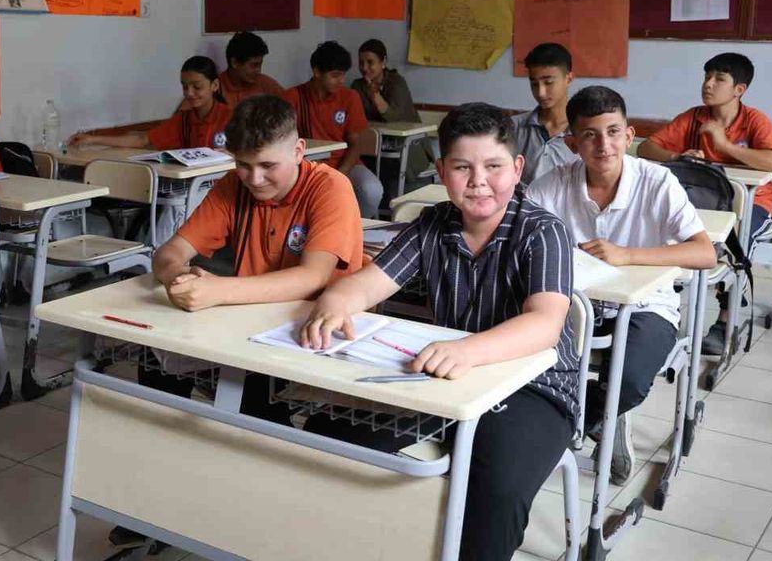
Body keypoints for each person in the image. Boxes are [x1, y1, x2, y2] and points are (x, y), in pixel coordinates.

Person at [301, 102, 577, 561]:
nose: (478, 181)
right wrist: (336, 302)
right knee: (331, 437)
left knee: (496, 490)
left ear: (517, 168)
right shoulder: (432, 224)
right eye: (462, 167)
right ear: (442, 170)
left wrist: (468, 350)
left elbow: (545, 323)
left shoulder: (542, 231)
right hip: (442, 379)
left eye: (493, 167)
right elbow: (367, 284)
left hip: (533, 389)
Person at [107, 94, 365, 555]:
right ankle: (158, 501)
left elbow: (313, 277)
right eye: (243, 165)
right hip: (250, 329)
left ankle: (245, 516)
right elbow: (169, 252)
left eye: (267, 166)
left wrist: (218, 291)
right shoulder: (233, 186)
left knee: (255, 411)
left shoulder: (330, 187)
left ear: (299, 151)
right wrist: (177, 277)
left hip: (313, 336)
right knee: (156, 364)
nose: (255, 179)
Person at [528, 85, 716, 484]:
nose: (604, 145)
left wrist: (628, 254)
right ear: (572, 143)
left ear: (629, 136)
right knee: (526, 362)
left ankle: (593, 418)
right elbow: (521, 242)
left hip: (647, 306)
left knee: (627, 381)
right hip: (573, 306)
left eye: (613, 132)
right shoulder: (551, 184)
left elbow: (704, 253)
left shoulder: (657, 182)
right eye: (590, 135)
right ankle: (593, 419)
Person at [636, 52, 772, 355]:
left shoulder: (755, 121)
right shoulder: (694, 117)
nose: (708, 84)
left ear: (739, 89)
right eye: (707, 76)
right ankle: (664, 312)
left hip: (753, 204)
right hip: (704, 202)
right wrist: (678, 156)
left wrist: (724, 146)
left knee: (735, 242)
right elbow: (646, 148)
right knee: (664, 234)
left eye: (719, 79)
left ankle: (725, 320)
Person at [283, 41, 383, 218]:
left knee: (372, 190)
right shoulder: (293, 97)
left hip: (344, 164)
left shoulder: (350, 97)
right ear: (317, 72)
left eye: (343, 75)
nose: (341, 81)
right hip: (306, 166)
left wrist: (339, 175)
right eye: (335, 75)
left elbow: (355, 145)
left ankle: (357, 228)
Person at [68, 56, 232, 150]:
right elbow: (142, 139)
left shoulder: (231, 119)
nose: (189, 93)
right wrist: (92, 140)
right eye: (184, 86)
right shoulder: (183, 120)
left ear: (215, 85)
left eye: (197, 87)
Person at [348, 38, 433, 182]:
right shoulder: (357, 85)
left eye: (370, 62)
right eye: (361, 63)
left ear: (383, 62)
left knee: (389, 172)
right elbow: (355, 116)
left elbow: (393, 117)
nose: (364, 68)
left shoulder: (397, 82)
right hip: (375, 143)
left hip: (408, 144)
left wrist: (375, 94)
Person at [510, 42, 577, 185]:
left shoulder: (584, 130)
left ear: (569, 79)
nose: (540, 92)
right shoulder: (514, 127)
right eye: (534, 84)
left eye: (548, 82)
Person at [180, 31, 285, 111]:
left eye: (260, 65)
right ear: (235, 63)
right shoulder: (213, 88)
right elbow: (180, 120)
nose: (258, 71)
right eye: (254, 65)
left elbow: (290, 108)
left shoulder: (265, 84)